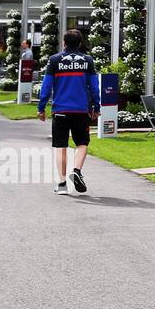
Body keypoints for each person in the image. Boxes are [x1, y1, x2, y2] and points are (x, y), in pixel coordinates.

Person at [37, 29, 100, 195]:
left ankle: (63, 183)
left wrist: (41, 107)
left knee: (61, 147)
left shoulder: (55, 60)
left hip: (60, 110)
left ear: (64, 43)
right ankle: (77, 171)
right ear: (79, 43)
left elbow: (46, 86)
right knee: (82, 143)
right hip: (81, 110)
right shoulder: (88, 60)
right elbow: (94, 87)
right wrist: (96, 107)